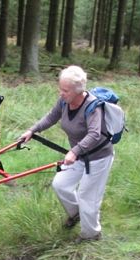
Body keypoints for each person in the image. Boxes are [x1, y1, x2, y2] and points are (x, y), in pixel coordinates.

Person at [19, 65, 115, 242]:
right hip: (78, 156)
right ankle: (77, 214)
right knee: (60, 184)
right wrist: (32, 131)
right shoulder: (64, 101)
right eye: (60, 88)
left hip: (98, 158)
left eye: (65, 90)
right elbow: (51, 117)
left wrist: (74, 151)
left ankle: (91, 234)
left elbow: (94, 134)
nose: (61, 93)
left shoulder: (93, 107)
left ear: (79, 91)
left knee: (88, 196)